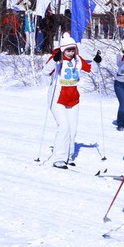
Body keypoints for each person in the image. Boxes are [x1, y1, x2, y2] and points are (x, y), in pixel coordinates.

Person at [43, 32, 102, 169]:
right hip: (57, 97)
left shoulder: (78, 60)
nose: (70, 53)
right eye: (68, 50)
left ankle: (68, 156)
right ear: (63, 49)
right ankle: (59, 158)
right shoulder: (57, 59)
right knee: (64, 127)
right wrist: (54, 60)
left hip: (73, 98)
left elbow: (91, 70)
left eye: (73, 49)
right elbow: (45, 71)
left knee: (72, 129)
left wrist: (96, 61)